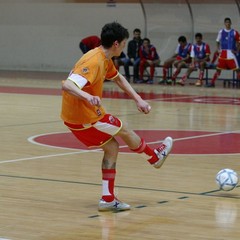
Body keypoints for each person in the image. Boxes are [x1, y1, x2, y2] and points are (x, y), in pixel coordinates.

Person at [61, 22, 173, 212]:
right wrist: (88, 96)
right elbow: (68, 85)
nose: (124, 47)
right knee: (126, 129)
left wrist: (138, 99)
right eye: (123, 43)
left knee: (112, 147)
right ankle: (154, 158)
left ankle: (107, 199)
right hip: (85, 116)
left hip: (73, 119)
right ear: (116, 44)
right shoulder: (94, 61)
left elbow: (118, 78)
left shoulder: (104, 58)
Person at [206, 17, 240, 87]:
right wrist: (218, 49)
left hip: (231, 54)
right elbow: (217, 41)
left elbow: (239, 42)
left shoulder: (234, 32)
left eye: (229, 22)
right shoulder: (221, 31)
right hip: (223, 53)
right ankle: (212, 83)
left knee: (237, 70)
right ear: (224, 23)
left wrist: (237, 51)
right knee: (218, 69)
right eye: (226, 22)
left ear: (231, 23)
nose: (227, 23)